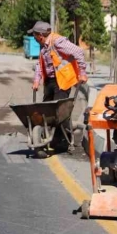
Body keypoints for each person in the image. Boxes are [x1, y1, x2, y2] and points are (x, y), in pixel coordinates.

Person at [29, 21, 89, 156]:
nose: (33, 37)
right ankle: (49, 138)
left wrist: (82, 72)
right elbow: (40, 63)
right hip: (50, 81)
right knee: (45, 110)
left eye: (34, 34)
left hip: (63, 81)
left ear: (40, 35)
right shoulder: (43, 45)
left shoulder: (58, 41)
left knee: (60, 112)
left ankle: (62, 141)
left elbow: (78, 52)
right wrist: (36, 81)